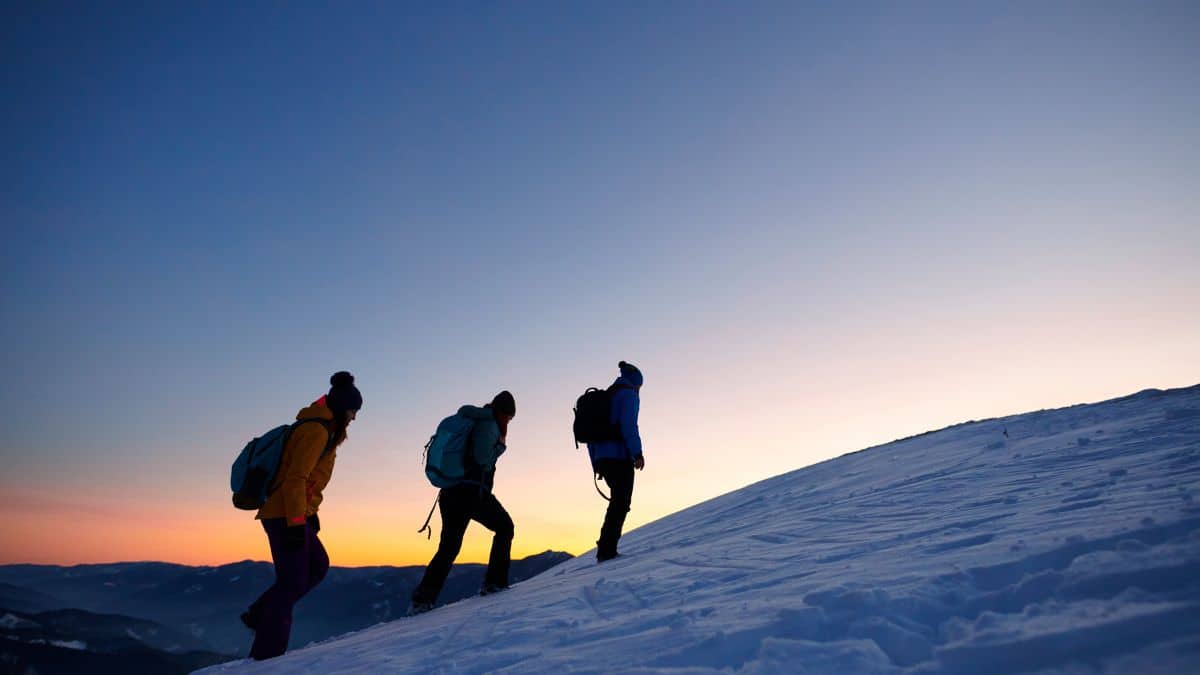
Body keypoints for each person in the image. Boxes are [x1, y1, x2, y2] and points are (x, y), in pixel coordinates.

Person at [242, 371, 363, 661]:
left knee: (317, 565)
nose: (354, 418)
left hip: (292, 512)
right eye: (353, 411)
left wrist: (310, 514)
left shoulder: (322, 428)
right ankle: (267, 655)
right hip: (284, 514)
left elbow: (305, 481)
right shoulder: (315, 431)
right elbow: (296, 479)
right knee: (292, 583)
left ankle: (261, 612)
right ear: (340, 407)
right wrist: (298, 522)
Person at [410, 391, 516, 615]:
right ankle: (494, 583)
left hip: (451, 492)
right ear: (504, 413)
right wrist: (500, 446)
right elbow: (482, 458)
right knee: (505, 527)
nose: (509, 422)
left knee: (448, 548)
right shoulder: (489, 425)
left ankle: (422, 599)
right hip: (472, 492)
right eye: (509, 417)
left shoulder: (475, 419)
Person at [587, 361, 644, 562]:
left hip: (603, 458)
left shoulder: (608, 396)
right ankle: (607, 548)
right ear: (636, 383)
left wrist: (597, 463)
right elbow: (629, 426)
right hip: (619, 456)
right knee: (621, 501)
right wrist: (637, 453)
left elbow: (591, 438)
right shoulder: (628, 395)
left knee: (618, 501)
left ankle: (606, 545)